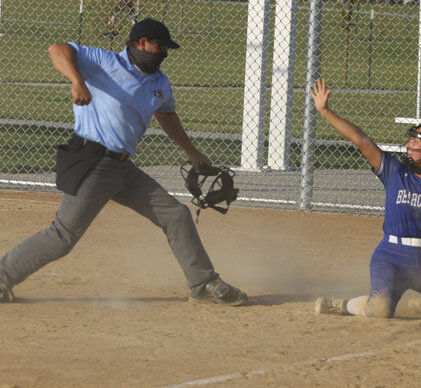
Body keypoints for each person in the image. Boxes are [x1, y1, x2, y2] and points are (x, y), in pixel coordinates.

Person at [0, 18, 247, 306]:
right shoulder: (103, 62)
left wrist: (192, 152)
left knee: (176, 215)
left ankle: (202, 283)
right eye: (160, 46)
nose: (164, 53)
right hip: (92, 160)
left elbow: (166, 115)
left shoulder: (160, 82)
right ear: (140, 43)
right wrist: (77, 80)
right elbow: (57, 49)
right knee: (63, 236)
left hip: (123, 169)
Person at [310, 78, 421, 318]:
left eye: (416, 141)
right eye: (410, 140)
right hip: (391, 257)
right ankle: (342, 305)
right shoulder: (395, 172)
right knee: (380, 310)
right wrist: (325, 110)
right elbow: (360, 140)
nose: (408, 145)